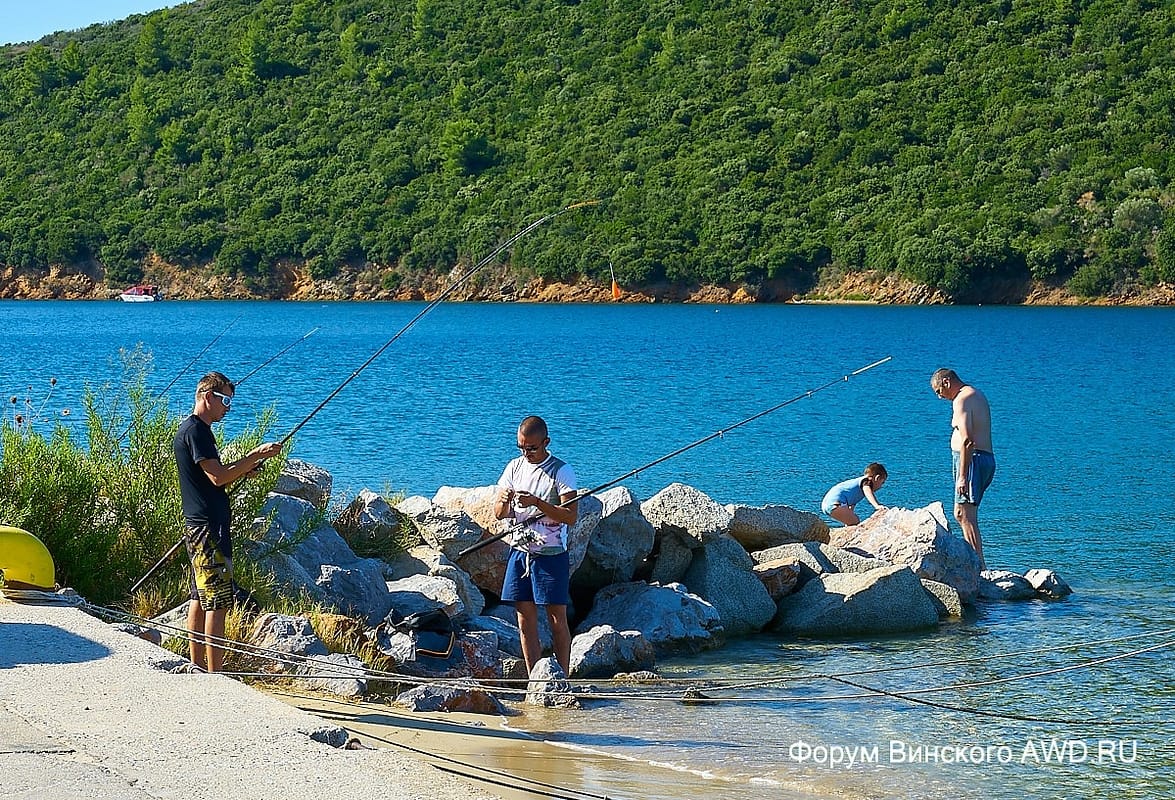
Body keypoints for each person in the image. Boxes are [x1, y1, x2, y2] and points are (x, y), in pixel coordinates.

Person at [173, 372, 281, 672]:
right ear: (207, 396)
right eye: (225, 400)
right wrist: (254, 455)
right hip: (209, 528)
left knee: (199, 597)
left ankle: (196, 665)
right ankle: (214, 674)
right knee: (218, 602)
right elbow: (217, 476)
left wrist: (244, 469)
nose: (228, 407)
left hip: (199, 525)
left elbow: (213, 476)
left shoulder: (194, 430)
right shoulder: (197, 431)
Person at [492, 415, 578, 677]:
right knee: (524, 619)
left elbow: (570, 516)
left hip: (551, 554)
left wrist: (537, 503)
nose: (526, 453)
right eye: (521, 447)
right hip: (519, 552)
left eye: (531, 448)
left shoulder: (562, 471)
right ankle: (534, 680)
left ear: (546, 442)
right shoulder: (514, 468)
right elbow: (498, 513)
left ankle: (561, 678)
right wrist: (505, 501)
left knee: (556, 620)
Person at [931, 368, 995, 570]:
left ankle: (979, 568)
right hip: (982, 459)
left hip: (972, 460)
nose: (939, 397)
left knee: (964, 514)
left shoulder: (962, 399)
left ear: (947, 382)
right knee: (963, 514)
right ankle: (978, 565)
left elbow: (967, 440)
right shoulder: (975, 394)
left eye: (939, 391)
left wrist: (962, 476)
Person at [821, 463, 888, 526]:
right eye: (882, 482)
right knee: (856, 521)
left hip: (827, 504)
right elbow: (868, 492)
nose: (881, 486)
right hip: (835, 504)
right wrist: (877, 506)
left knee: (852, 520)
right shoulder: (866, 481)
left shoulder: (856, 487)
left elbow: (851, 505)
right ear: (877, 478)